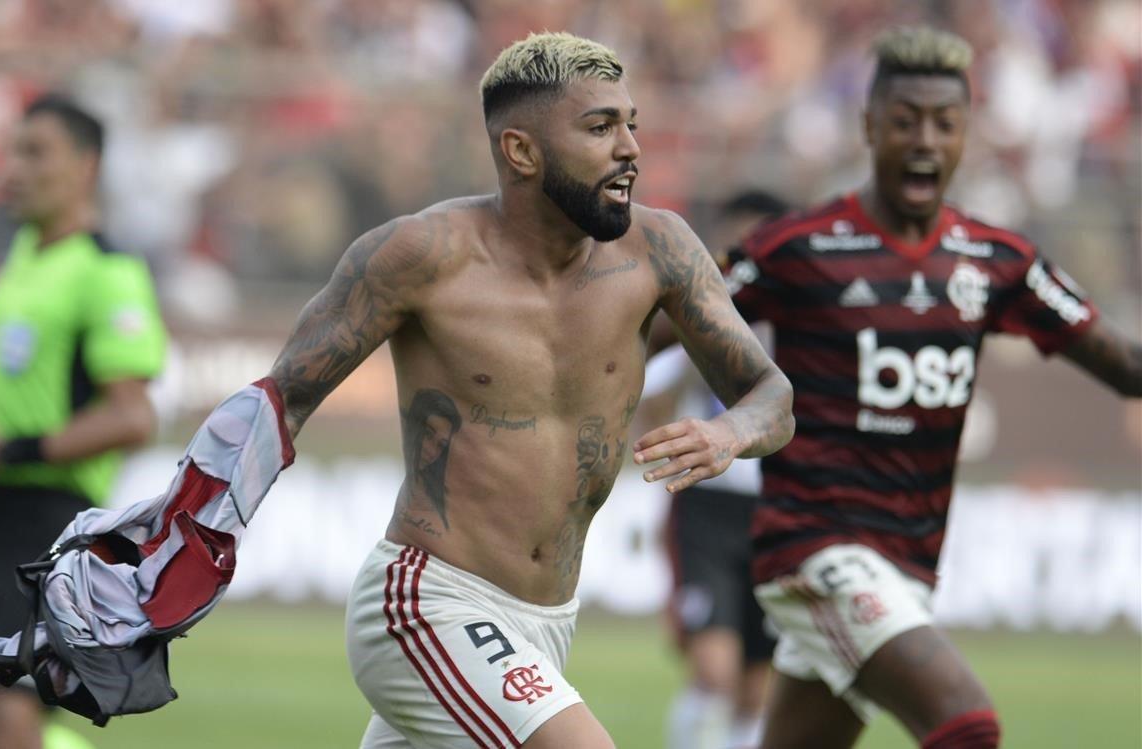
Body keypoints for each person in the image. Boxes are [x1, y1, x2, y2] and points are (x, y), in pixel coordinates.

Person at [40, 32, 790, 748]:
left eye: (631, 124)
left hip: (546, 621)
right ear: (521, 150)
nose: (629, 148)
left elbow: (770, 393)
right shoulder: (421, 254)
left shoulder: (660, 248)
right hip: (426, 601)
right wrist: (166, 540)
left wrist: (730, 432)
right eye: (599, 128)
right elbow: (282, 399)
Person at [714, 27, 1141, 749]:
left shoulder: (996, 261)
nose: (925, 141)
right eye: (906, 120)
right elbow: (665, 328)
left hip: (908, 563)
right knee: (968, 726)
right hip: (816, 547)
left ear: (965, 135)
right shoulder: (800, 247)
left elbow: (1125, 364)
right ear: (869, 126)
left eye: (945, 125)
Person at [0, 95, 166, 749]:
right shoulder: (17, 261)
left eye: (35, 151)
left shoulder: (108, 272)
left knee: (4, 722)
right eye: (12, 150)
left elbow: (133, 415)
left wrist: (7, 448)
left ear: (85, 166)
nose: (13, 166)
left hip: (37, 521)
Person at [649, 191, 789, 749]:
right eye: (736, 246)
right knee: (714, 671)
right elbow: (650, 406)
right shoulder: (698, 319)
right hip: (707, 508)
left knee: (758, 688)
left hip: (777, 512)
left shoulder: (807, 330)